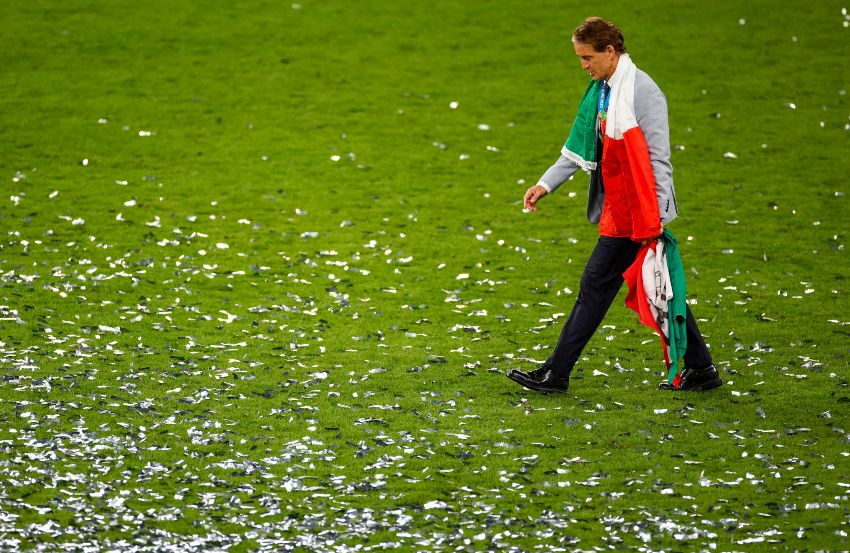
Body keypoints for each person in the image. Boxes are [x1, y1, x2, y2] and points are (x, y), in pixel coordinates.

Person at [507, 16, 722, 393]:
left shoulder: (643, 92)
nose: (583, 66)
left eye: (588, 57)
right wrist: (545, 184)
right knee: (661, 288)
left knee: (597, 285)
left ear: (610, 51)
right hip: (619, 207)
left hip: (637, 211)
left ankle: (556, 373)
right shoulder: (604, 90)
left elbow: (658, 159)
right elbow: (584, 147)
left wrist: (653, 217)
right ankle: (702, 368)